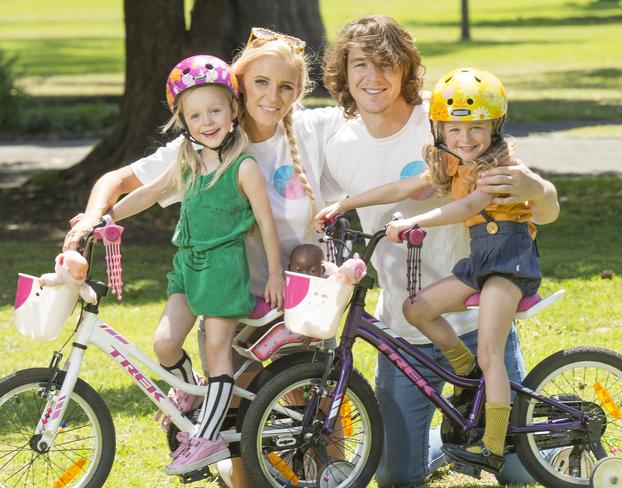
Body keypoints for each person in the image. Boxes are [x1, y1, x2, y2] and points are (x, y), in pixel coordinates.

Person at [62, 28, 344, 487]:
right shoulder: (195, 147)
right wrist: (95, 217)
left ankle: (327, 471)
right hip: (212, 283)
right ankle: (202, 419)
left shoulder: (305, 133)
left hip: (287, 294)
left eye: (286, 87)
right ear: (239, 87)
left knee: (297, 401)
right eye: (260, 83)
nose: (272, 97)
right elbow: (127, 185)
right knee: (210, 378)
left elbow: (380, 114)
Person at [319, 15, 559, 487]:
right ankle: (445, 443)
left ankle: (520, 437)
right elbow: (407, 184)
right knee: (395, 477)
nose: (373, 77)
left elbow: (541, 206)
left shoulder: (454, 113)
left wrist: (537, 187)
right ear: (343, 74)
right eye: (361, 64)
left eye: (387, 64)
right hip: (404, 333)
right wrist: (342, 206)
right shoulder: (342, 140)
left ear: (407, 70)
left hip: (476, 315)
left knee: (519, 473)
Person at [107, 54, 284, 476]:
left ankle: (206, 439)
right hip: (186, 266)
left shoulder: (243, 168)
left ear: (232, 110)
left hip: (224, 267)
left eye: (215, 110)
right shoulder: (186, 161)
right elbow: (149, 194)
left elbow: (266, 223)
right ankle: (189, 392)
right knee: (165, 343)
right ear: (183, 121)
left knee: (217, 351)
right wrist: (105, 218)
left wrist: (275, 273)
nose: (207, 121)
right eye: (195, 115)